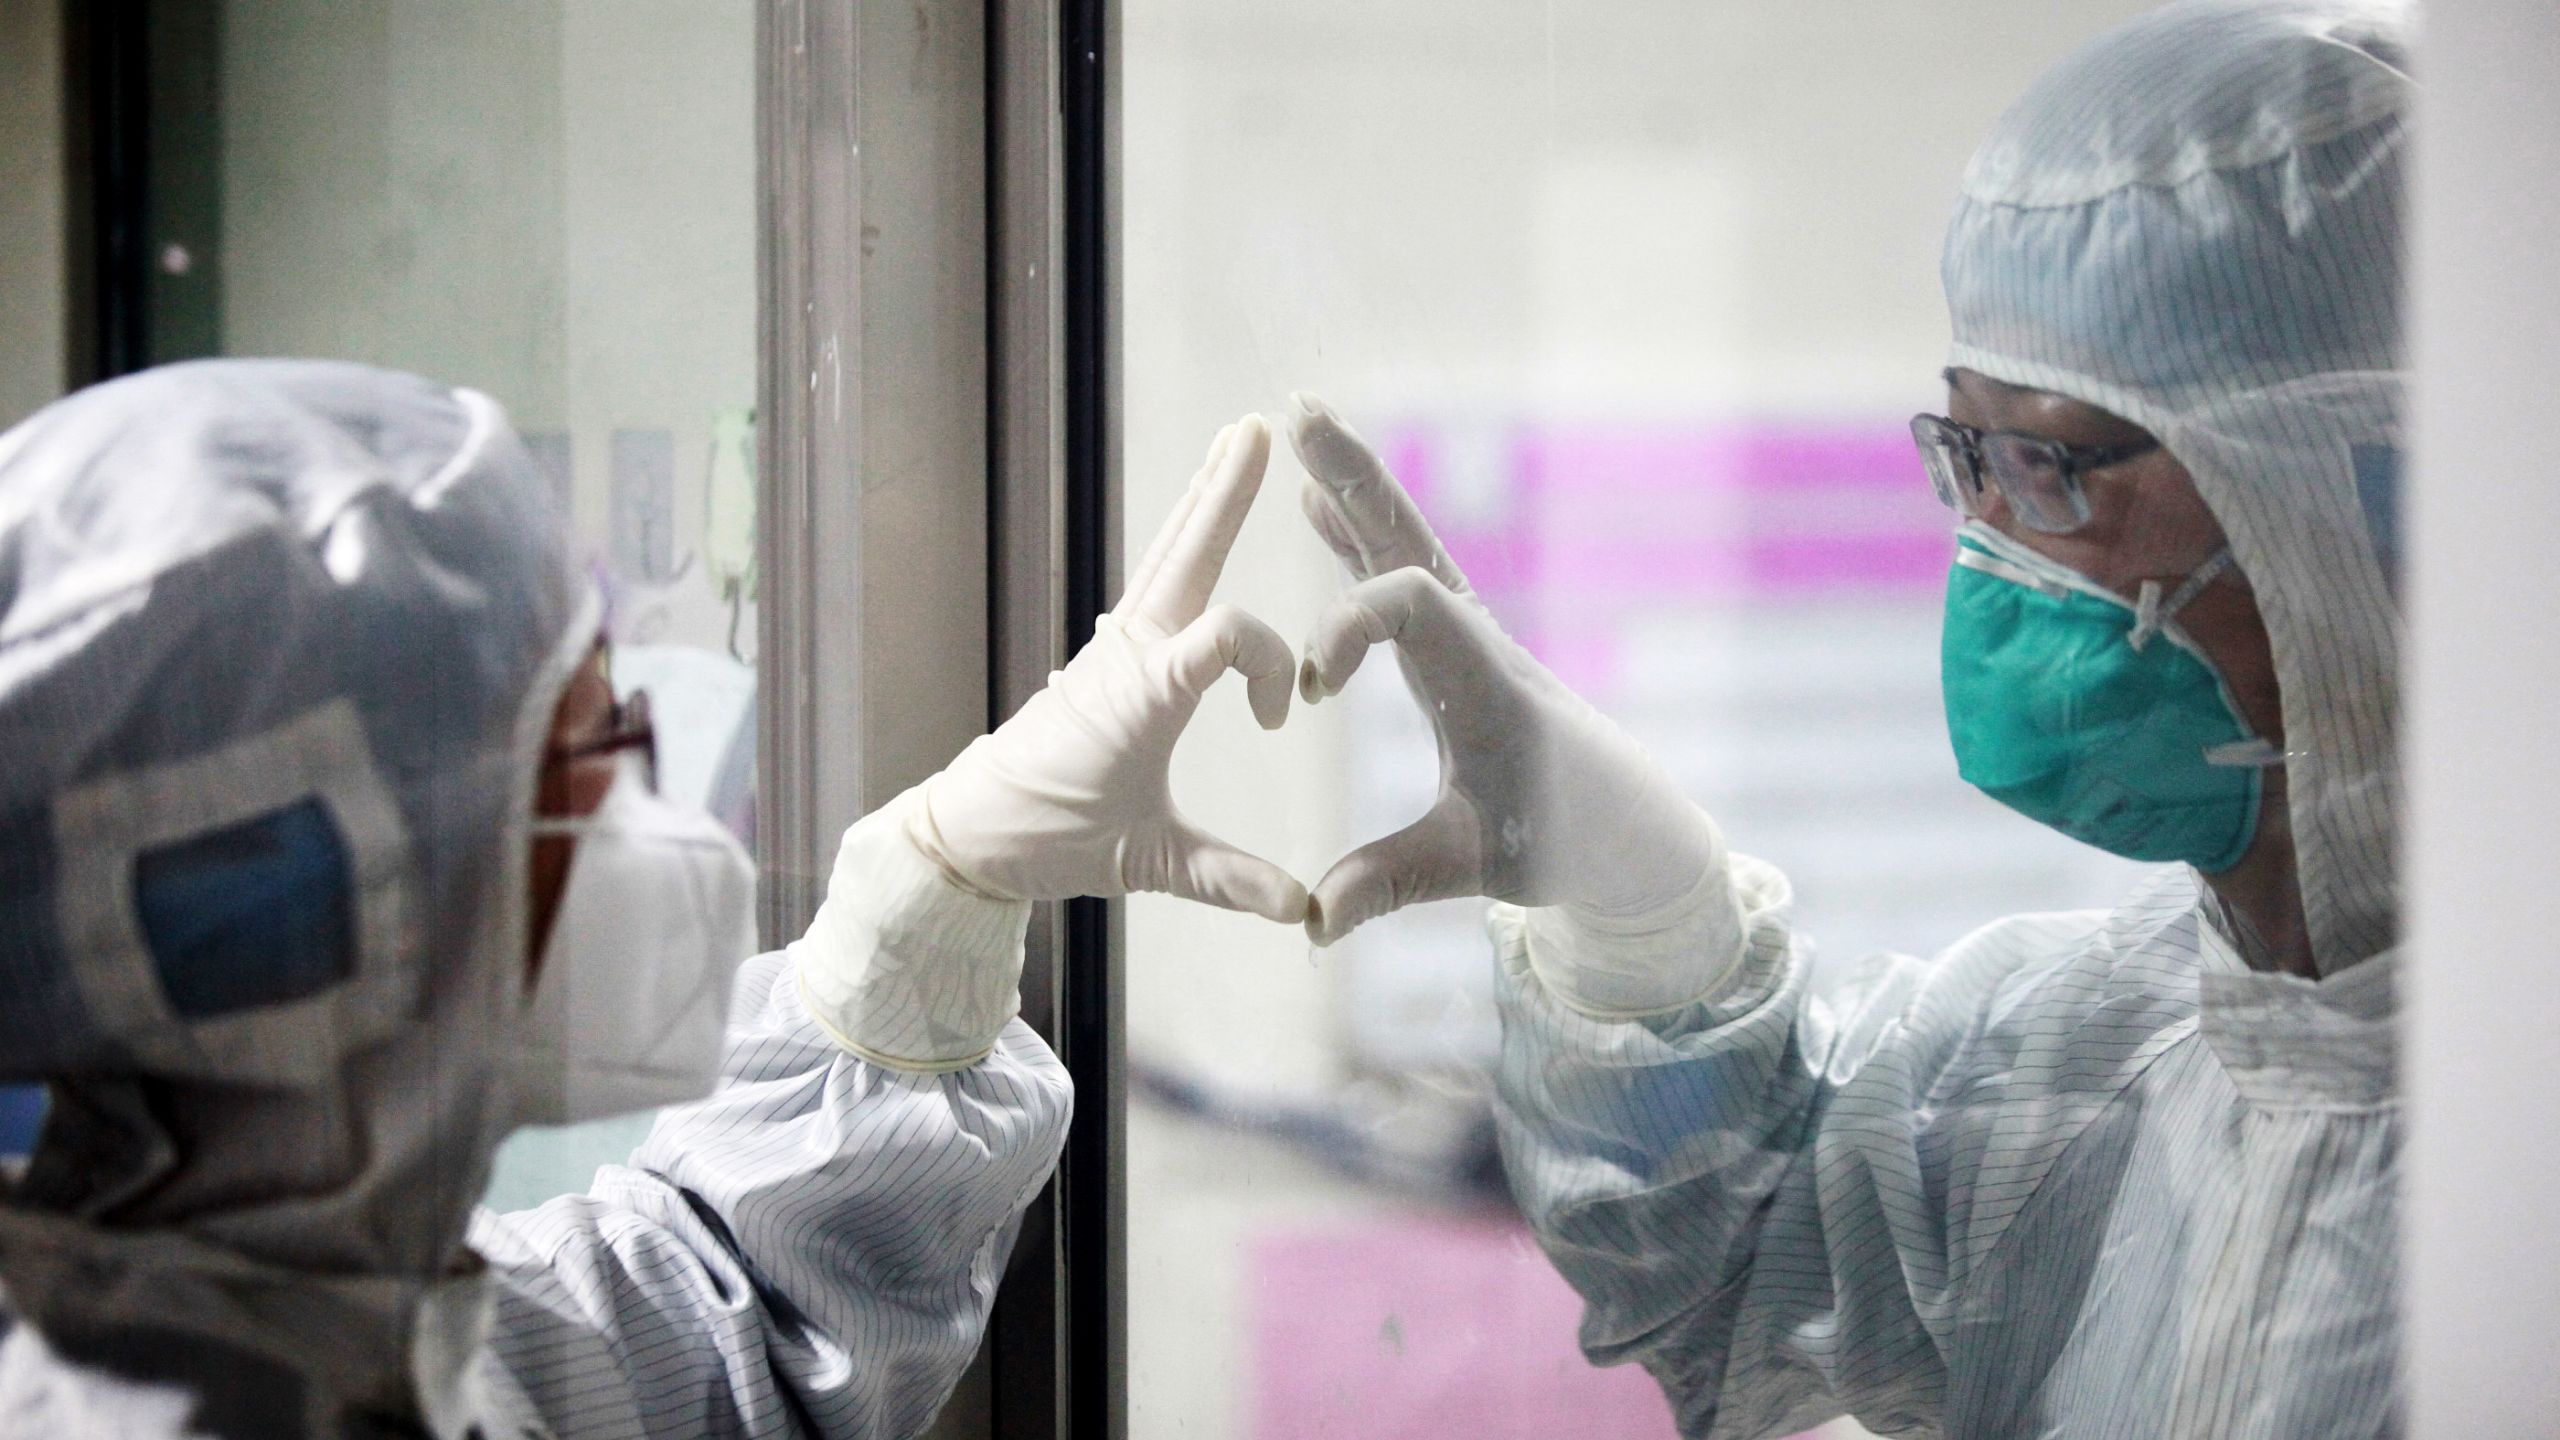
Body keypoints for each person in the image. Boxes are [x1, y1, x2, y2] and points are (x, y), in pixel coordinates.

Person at [1282, 0, 2407, 1434]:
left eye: (2047, 465)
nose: (1987, 538)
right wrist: (1646, 926)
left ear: (2347, 500)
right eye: (1963, 454)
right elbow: (1737, 1250)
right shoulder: (2086, 1064)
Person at [0, 359, 1302, 1437]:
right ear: (333, 898)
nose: (653, 789)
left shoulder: (341, 1335)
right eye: (582, 747)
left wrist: (938, 888)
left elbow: (726, 1328)